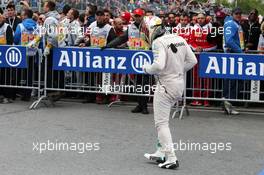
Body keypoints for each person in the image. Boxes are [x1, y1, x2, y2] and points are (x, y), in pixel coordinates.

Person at [142, 16, 197, 169]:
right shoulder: (179, 38)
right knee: (163, 121)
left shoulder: (158, 42)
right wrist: (178, 71)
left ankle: (171, 157)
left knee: (161, 124)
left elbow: (158, 66)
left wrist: (146, 68)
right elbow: (193, 61)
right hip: (179, 84)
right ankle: (161, 152)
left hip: (165, 85)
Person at [103, 8, 150, 114]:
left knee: (145, 82)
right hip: (134, 59)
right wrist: (108, 46)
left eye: (139, 16)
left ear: (143, 16)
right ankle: (139, 104)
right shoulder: (131, 27)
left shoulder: (148, 26)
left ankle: (145, 106)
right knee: (137, 83)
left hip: (145, 58)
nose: (137, 17)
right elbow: (121, 39)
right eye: (135, 16)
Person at [222, 7, 244, 115]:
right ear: (232, 14)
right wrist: (240, 51)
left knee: (234, 80)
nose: (239, 15)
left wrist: (243, 48)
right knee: (232, 81)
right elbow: (229, 40)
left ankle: (227, 104)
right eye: (236, 13)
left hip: (235, 54)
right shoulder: (231, 23)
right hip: (232, 55)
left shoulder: (235, 23)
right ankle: (227, 104)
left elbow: (236, 40)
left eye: (240, 13)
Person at [14, 8, 38, 101]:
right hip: (33, 52)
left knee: (21, 73)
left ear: (25, 16)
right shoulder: (36, 26)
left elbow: (16, 38)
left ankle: (21, 92)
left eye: (23, 15)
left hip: (22, 53)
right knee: (30, 73)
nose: (21, 16)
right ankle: (27, 94)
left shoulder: (20, 26)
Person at [0, 7, 16, 104]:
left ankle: (7, 95)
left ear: (2, 17)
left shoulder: (7, 27)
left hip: (5, 56)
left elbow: (10, 42)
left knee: (5, 76)